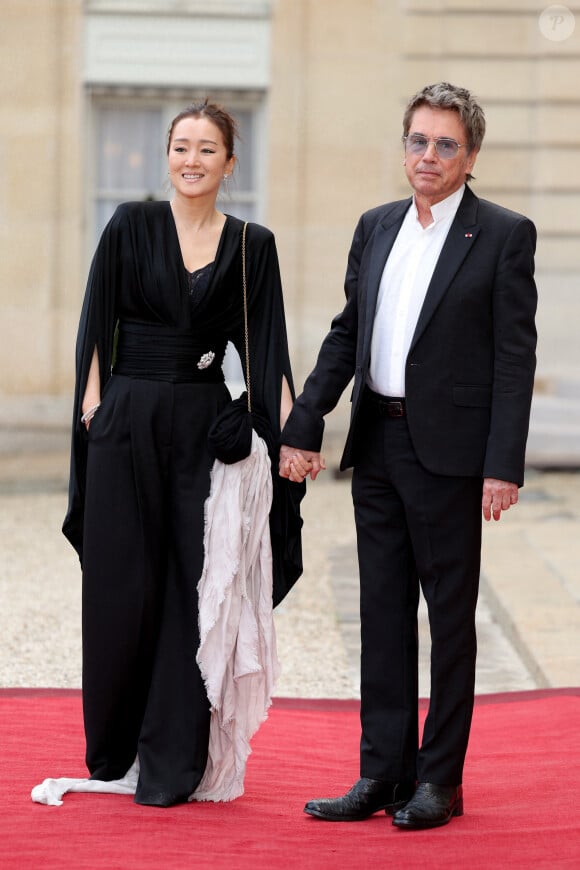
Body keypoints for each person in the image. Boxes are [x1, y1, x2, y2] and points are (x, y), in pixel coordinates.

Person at [279, 82, 537, 829]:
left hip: (452, 458)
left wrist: (503, 463)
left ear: (471, 155)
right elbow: (345, 332)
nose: (428, 155)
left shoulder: (501, 235)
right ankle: (381, 773)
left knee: (449, 620)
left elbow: (514, 359)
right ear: (404, 147)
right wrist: (305, 420)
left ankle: (440, 782)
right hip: (380, 445)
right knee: (382, 615)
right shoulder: (376, 226)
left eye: (445, 144)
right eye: (418, 141)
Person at [62, 100, 303, 807]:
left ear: (231, 163)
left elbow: (269, 351)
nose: (191, 160)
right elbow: (95, 319)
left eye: (207, 149)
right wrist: (93, 409)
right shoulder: (130, 224)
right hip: (126, 418)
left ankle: (173, 761)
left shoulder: (253, 245)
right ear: (167, 156)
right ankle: (113, 748)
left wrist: (293, 436)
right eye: (180, 146)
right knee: (120, 583)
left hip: (199, 429)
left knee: (191, 588)